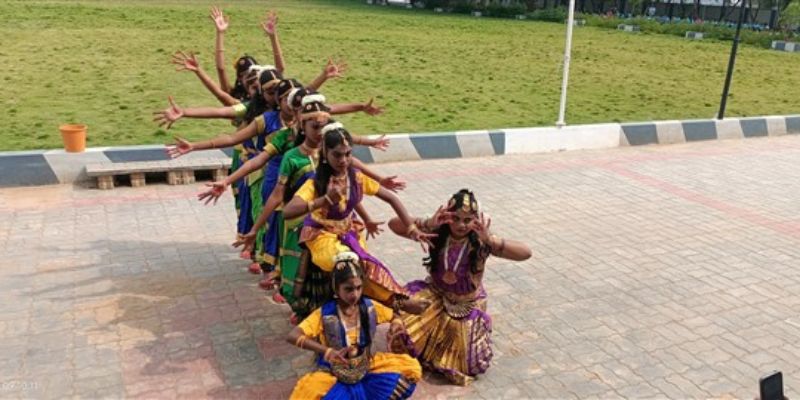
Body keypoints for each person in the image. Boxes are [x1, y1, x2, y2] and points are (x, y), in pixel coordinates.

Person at [282, 124, 433, 315]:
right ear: (325, 153)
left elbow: (391, 198)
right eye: (337, 155)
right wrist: (324, 200)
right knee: (349, 263)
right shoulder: (316, 183)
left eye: (348, 154)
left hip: (350, 232)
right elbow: (288, 211)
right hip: (321, 235)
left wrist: (412, 229)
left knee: (366, 266)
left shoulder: (357, 179)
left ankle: (392, 302)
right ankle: (398, 303)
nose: (343, 160)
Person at [388, 189, 532, 385]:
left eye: (467, 220)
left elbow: (526, 253)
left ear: (476, 220)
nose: (461, 225)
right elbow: (393, 225)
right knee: (401, 325)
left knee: (469, 364)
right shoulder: (436, 233)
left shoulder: (481, 241)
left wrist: (490, 240)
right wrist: (428, 223)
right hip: (435, 296)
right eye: (455, 218)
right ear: (447, 217)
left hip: (466, 306)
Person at [287, 252, 421, 400]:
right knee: (311, 393)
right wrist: (327, 351)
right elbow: (293, 336)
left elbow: (394, 316)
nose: (355, 294)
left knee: (410, 369)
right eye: (348, 289)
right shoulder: (325, 313)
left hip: (365, 367)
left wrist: (395, 325)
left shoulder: (369, 306)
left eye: (359, 288)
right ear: (336, 288)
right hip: (333, 371)